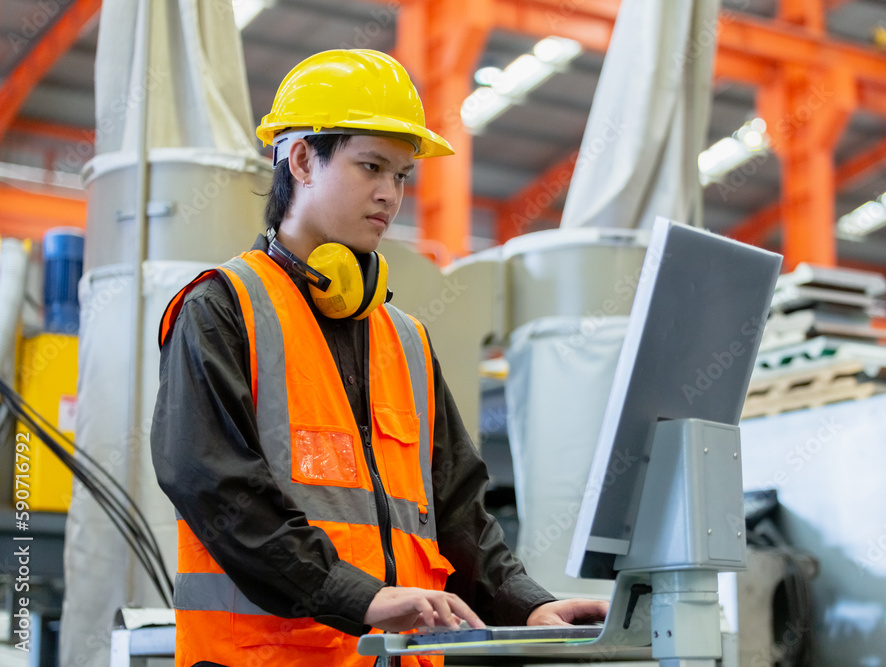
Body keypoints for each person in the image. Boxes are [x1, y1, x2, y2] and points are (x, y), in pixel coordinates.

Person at [150, 49, 607, 667]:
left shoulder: (405, 339)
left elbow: (457, 509)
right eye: (372, 167)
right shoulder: (221, 308)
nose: (390, 195)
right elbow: (216, 487)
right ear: (304, 159)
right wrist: (356, 596)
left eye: (401, 176)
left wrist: (524, 604)